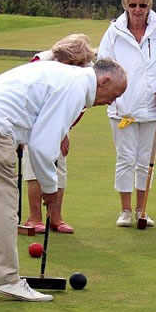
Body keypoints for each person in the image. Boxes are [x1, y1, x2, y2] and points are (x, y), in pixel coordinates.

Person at [0, 59, 126, 302]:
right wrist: (50, 188)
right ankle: (7, 279)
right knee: (3, 201)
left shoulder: (72, 78)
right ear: (105, 80)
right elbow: (42, 147)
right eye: (115, 94)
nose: (113, 101)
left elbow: (39, 134)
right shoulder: (76, 87)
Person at [98, 0, 156, 228]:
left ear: (149, 5)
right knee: (125, 159)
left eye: (142, 5)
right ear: (125, 4)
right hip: (122, 109)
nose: (137, 10)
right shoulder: (114, 32)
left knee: (145, 162)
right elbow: (103, 65)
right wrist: (110, 92)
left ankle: (141, 210)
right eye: (132, 5)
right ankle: (125, 210)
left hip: (154, 109)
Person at [22, 34, 97, 234]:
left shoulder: (86, 71)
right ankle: (34, 217)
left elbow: (78, 107)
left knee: (59, 167)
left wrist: (63, 132)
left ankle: (55, 217)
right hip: (32, 121)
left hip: (59, 122)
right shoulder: (40, 63)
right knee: (34, 167)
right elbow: (28, 100)